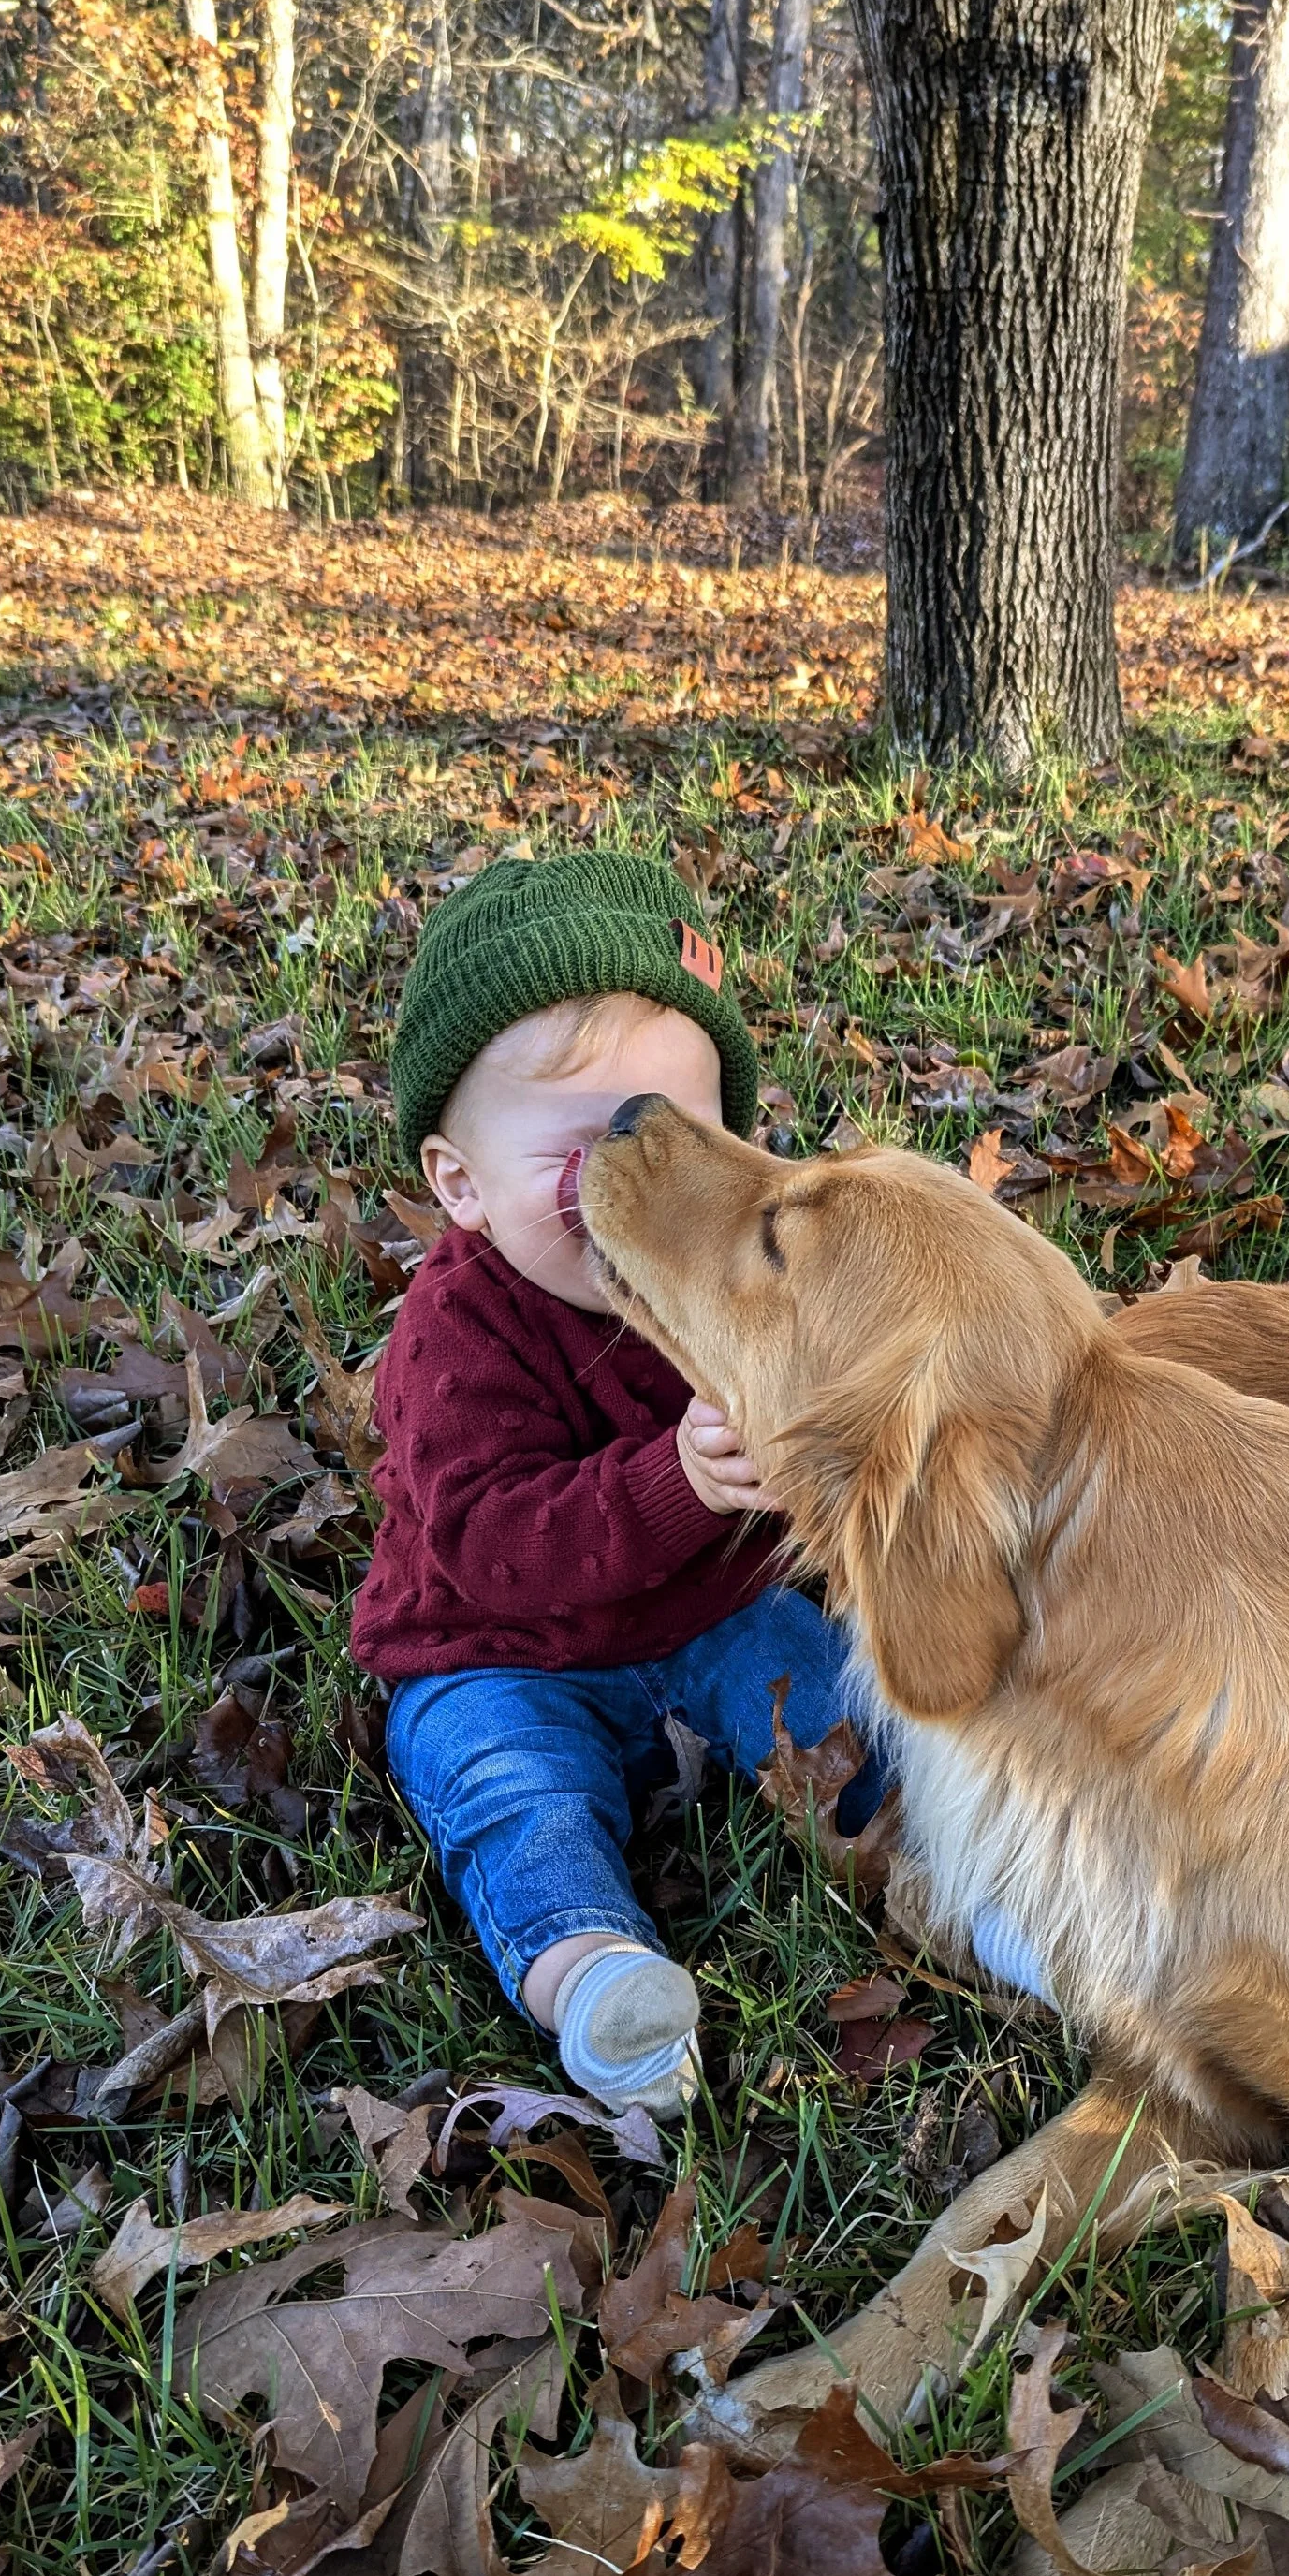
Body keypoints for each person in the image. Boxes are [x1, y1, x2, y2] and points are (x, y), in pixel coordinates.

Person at [352, 846, 873, 2115]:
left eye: (684, 1141)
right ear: (460, 1185)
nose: (642, 1193)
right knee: (507, 1791)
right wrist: (678, 1483)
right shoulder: (456, 1337)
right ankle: (594, 1975)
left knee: (850, 1706)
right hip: (501, 1652)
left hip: (710, 1616)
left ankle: (987, 1888)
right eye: (581, 1156)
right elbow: (488, 1543)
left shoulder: (730, 1277)